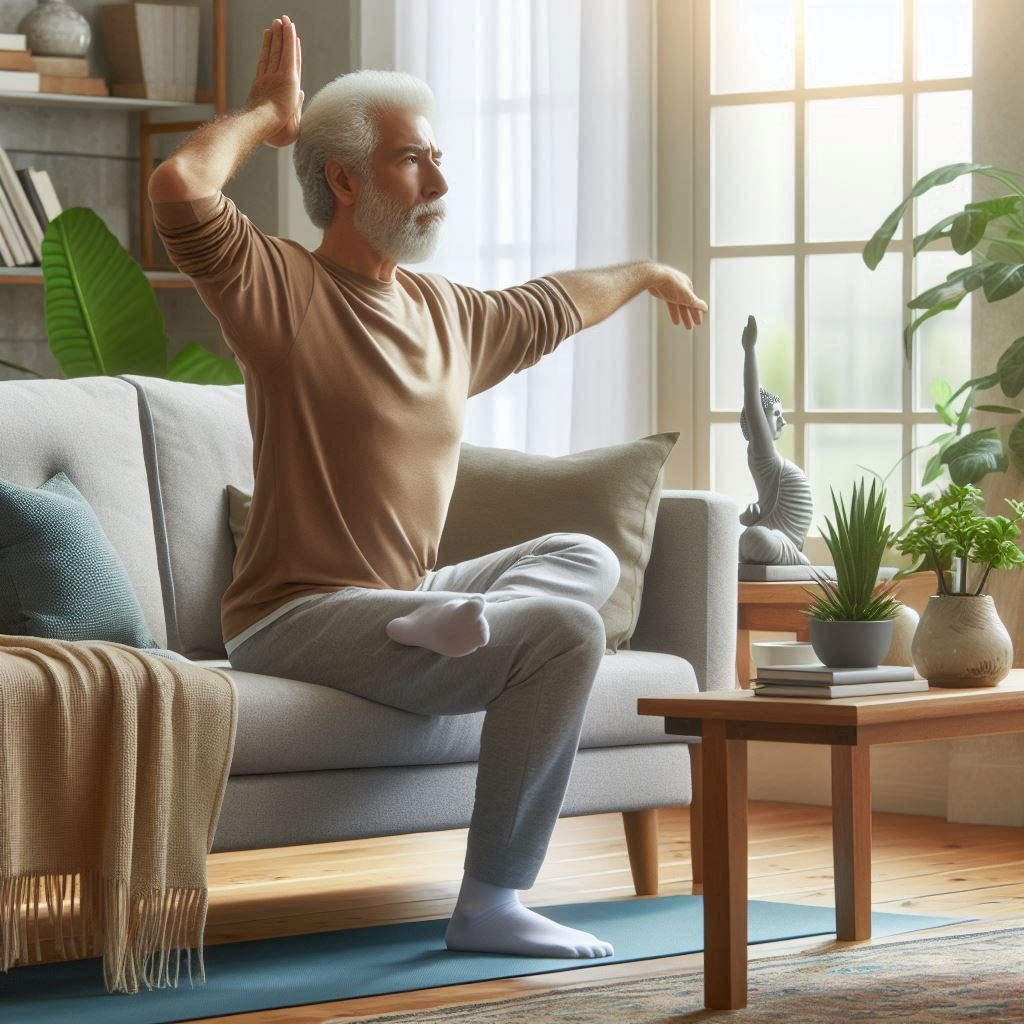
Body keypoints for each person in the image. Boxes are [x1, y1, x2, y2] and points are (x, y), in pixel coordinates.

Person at [147, 14, 709, 960]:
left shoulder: (448, 313)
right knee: (568, 627)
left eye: (439, 158)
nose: (440, 183)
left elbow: (557, 301)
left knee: (583, 557)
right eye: (415, 161)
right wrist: (265, 115)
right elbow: (179, 185)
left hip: (408, 601)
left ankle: (448, 622)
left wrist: (650, 271)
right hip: (295, 611)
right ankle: (491, 902)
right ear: (344, 178)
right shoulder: (274, 287)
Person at [738, 315, 813, 566]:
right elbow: (752, 398)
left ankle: (790, 554)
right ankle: (794, 558)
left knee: (755, 535)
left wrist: (757, 514)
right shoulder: (764, 455)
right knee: (753, 538)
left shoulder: (771, 463)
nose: (784, 421)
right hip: (775, 540)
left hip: (785, 538)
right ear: (758, 419)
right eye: (776, 414)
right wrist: (750, 351)